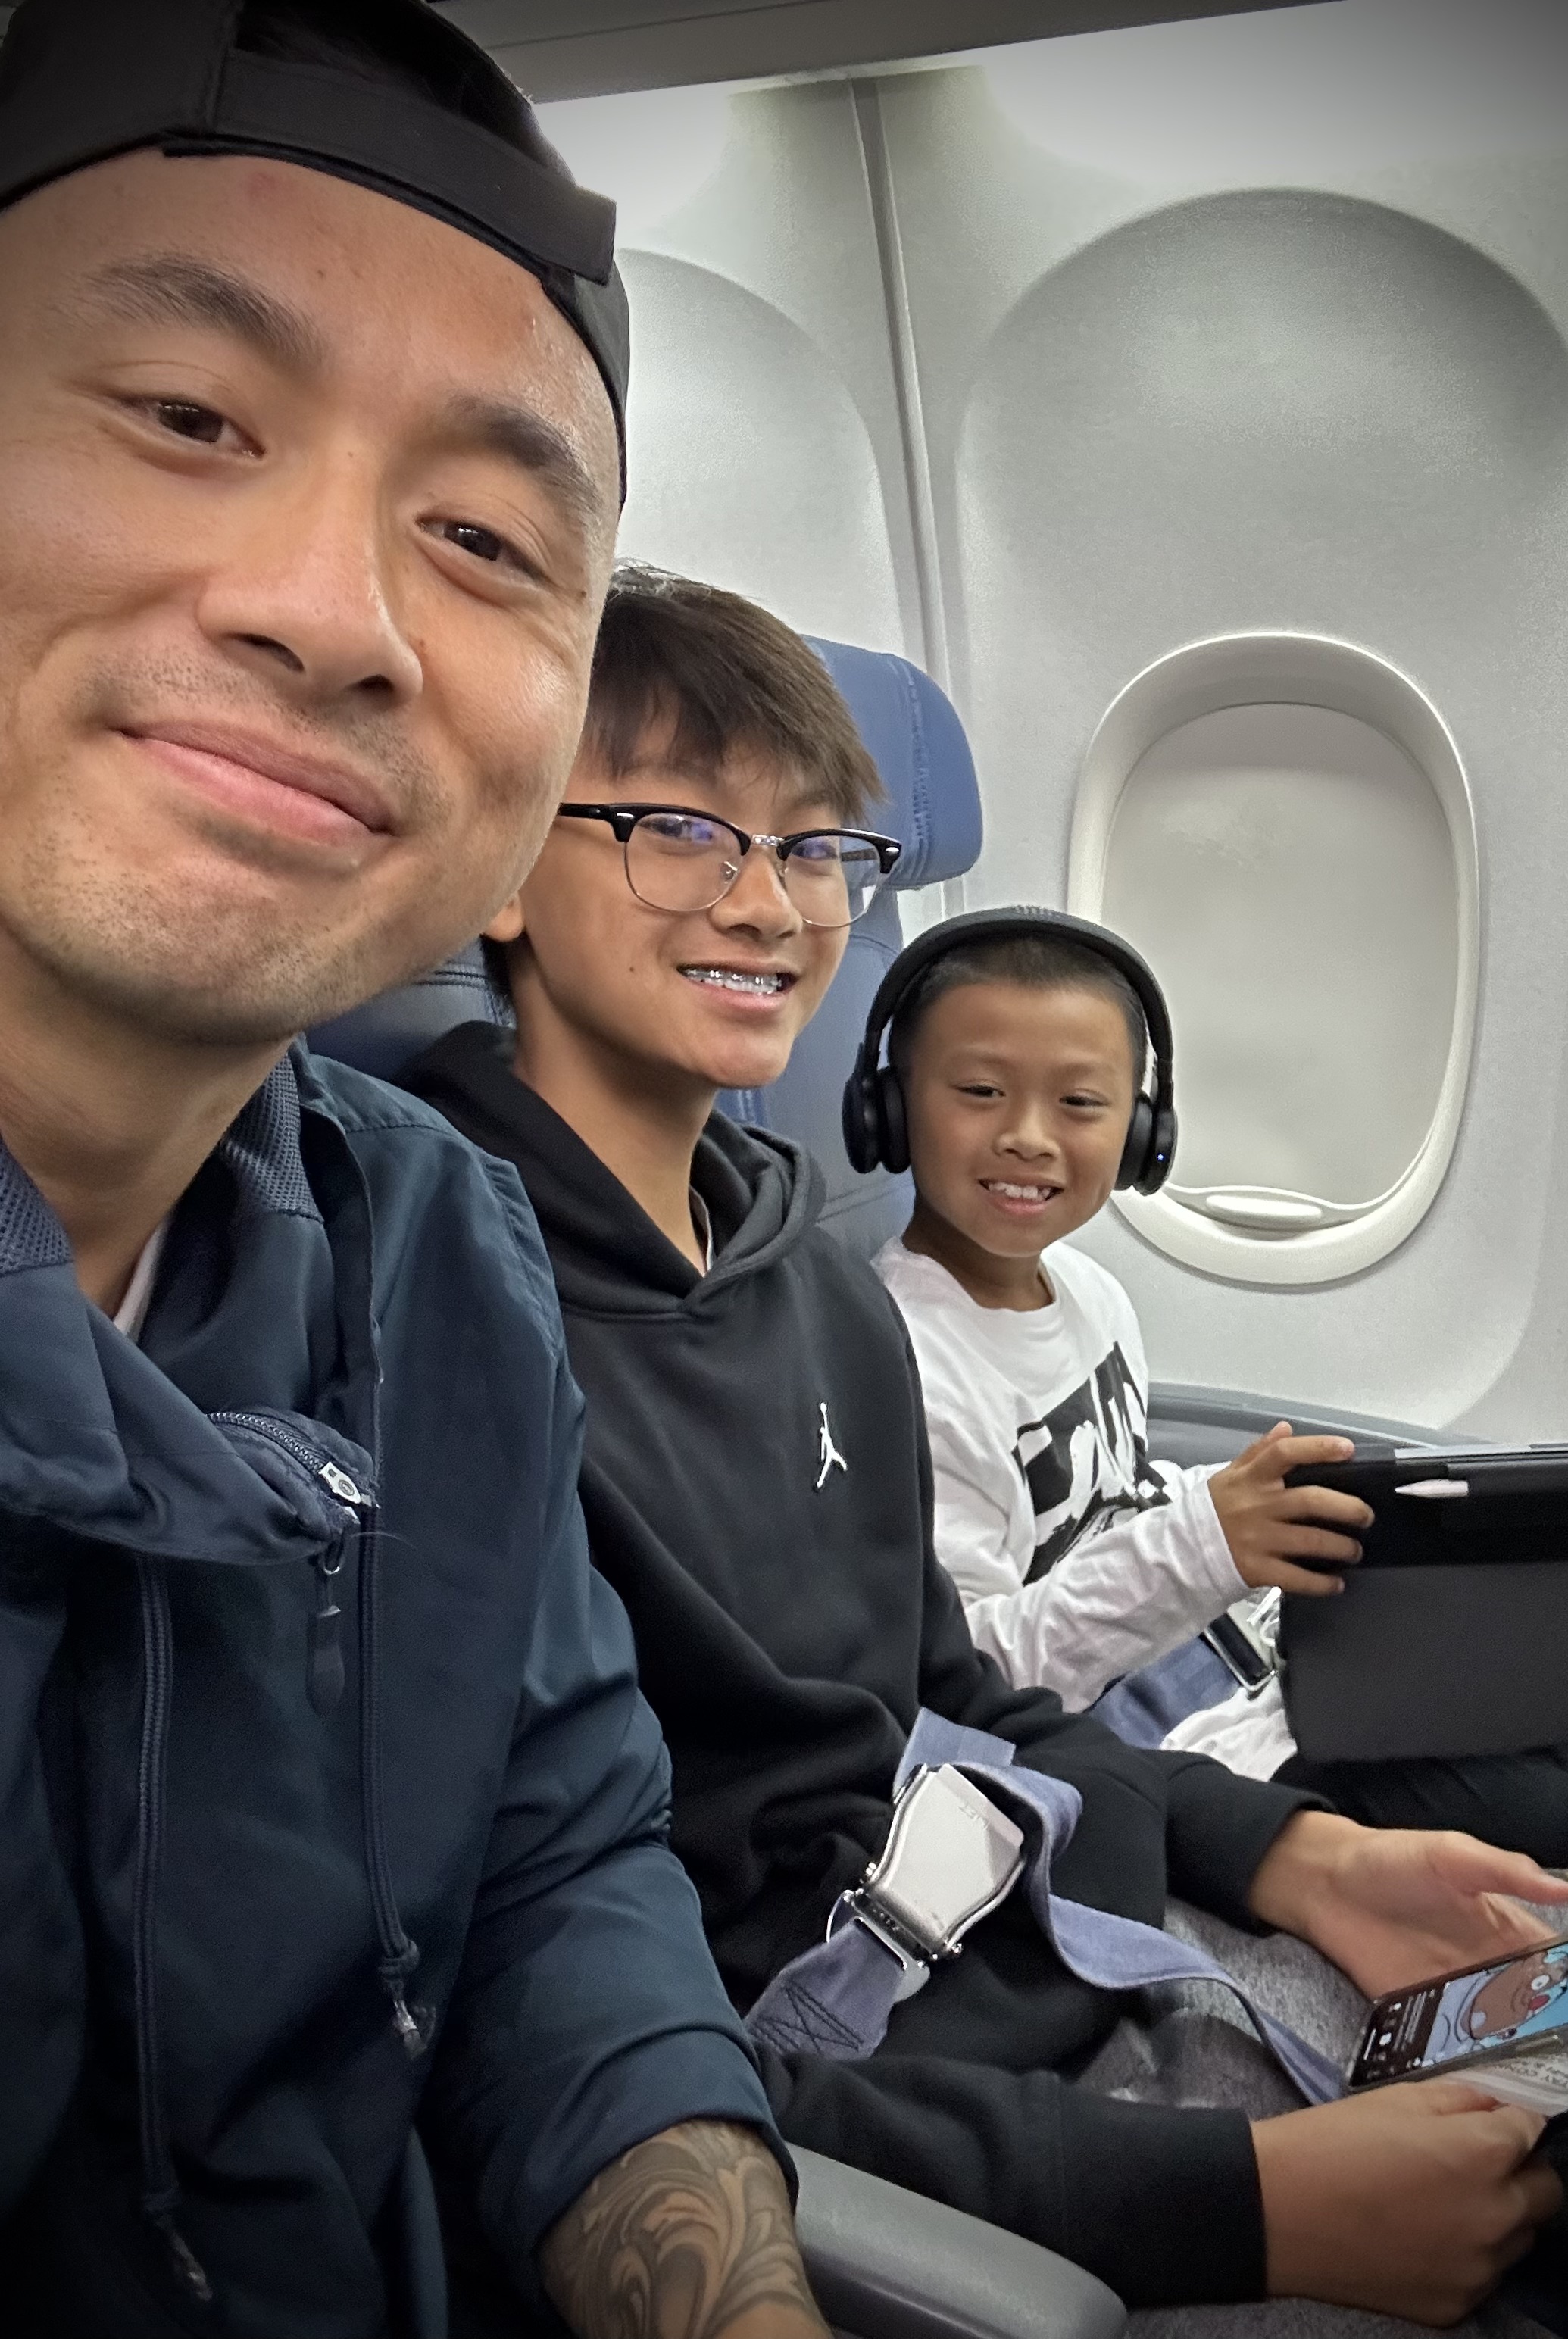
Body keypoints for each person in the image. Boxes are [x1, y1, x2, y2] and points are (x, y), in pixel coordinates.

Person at [406, 565, 1568, 2331]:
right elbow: (577, 2023)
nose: (767, 901)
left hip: (1093, 1926)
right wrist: (1235, 2207)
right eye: (679, 830)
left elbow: (955, 1694)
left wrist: (1293, 1856)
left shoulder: (805, 1279)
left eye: (814, 847)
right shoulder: (435, 1319)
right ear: (501, 861)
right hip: (951, 2112)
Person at [0, 5, 830, 2334]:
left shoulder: (436, 1249)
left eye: (482, 540)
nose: (337, 614)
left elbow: (557, 1867)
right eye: (186, 416)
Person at [872, 917, 1568, 1875]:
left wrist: (1262, 1501)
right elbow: (974, 1677)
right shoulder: (906, 1364)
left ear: (1143, 1132)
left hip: (1258, 1660)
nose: (1028, 1136)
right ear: (890, 1104)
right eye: (980, 1092)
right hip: (1172, 1751)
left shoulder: (1091, 1295)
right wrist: (1206, 1541)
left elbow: (1113, 1504)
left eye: (1081, 1101)